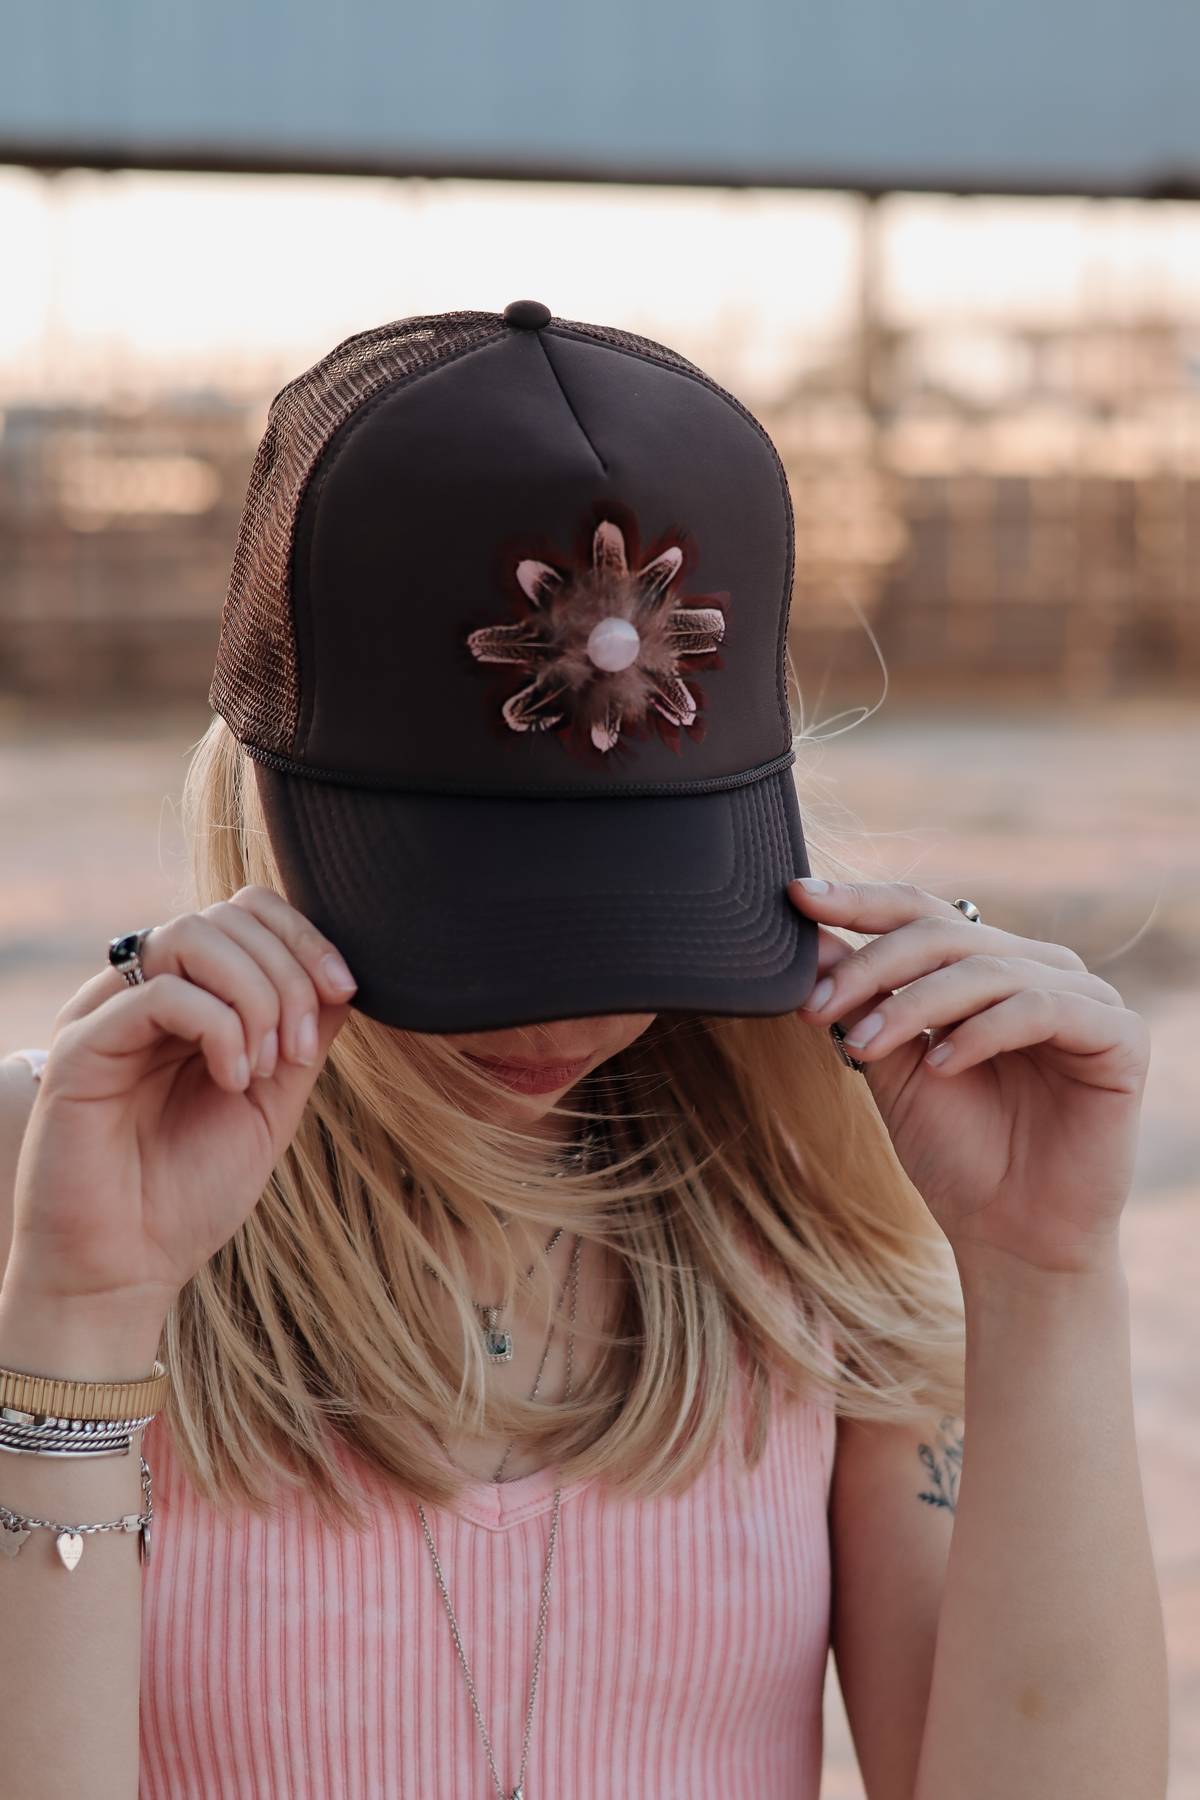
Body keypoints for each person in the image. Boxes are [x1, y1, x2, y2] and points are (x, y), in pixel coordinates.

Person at [0, 303, 1165, 1800]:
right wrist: (81, 1334)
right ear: (269, 806)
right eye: (477, 919)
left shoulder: (811, 1224)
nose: (558, 1017)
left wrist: (1047, 1279)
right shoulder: (42, 1190)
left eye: (634, 918)